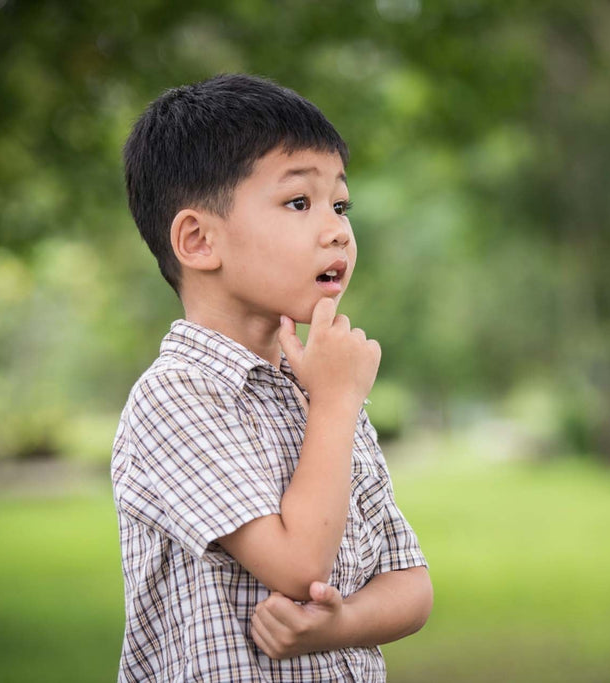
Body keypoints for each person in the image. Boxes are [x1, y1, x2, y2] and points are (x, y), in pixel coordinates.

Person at [111, 73, 432, 682]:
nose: (337, 229)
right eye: (298, 203)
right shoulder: (177, 394)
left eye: (341, 205)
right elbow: (297, 565)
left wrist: (341, 625)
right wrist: (335, 404)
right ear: (200, 240)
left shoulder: (318, 388)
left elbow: (411, 583)